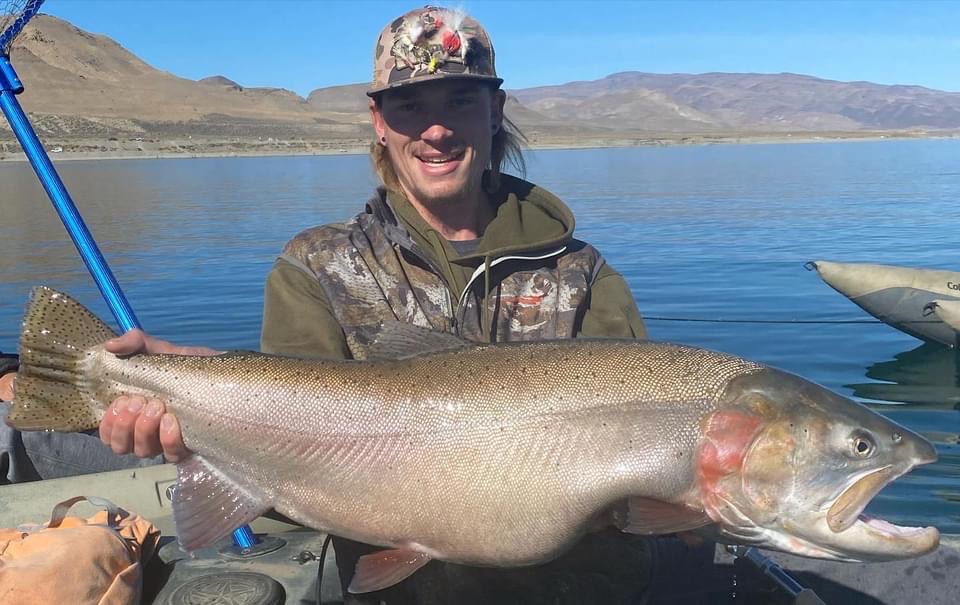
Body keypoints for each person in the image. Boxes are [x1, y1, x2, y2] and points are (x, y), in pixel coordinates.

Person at [4, 6, 686, 603]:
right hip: (396, 592)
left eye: (459, 100)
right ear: (378, 121)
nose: (437, 130)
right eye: (411, 106)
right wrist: (187, 406)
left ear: (495, 109)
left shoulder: (582, 273)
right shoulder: (316, 266)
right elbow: (295, 428)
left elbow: (644, 488)